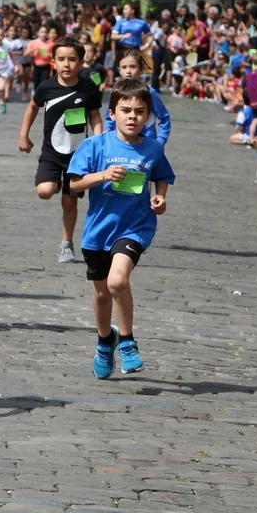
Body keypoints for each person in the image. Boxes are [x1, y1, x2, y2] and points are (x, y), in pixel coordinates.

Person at [69, 79, 174, 379]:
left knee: (117, 281)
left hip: (135, 227)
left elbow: (162, 176)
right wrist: (102, 175)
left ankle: (127, 342)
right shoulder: (95, 145)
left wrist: (160, 197)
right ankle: (105, 342)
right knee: (102, 294)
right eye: (125, 110)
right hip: (98, 231)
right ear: (112, 114)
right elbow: (75, 183)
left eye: (139, 112)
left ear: (147, 116)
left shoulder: (153, 149)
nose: (132, 117)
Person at [18, 37, 103, 263]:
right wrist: (24, 135)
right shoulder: (46, 87)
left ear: (81, 62)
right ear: (53, 62)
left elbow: (95, 116)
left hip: (79, 155)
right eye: (61, 59)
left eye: (72, 59)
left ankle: (66, 244)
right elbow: (32, 108)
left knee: (69, 201)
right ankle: (54, 182)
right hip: (52, 153)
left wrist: (99, 142)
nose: (67, 64)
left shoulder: (88, 88)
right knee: (44, 191)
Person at [106, 49, 171, 145]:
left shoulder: (149, 93)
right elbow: (109, 118)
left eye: (133, 67)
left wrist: (160, 142)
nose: (128, 71)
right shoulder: (116, 93)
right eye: (124, 67)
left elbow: (165, 118)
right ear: (119, 70)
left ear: (141, 69)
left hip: (146, 147)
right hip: (120, 146)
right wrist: (107, 133)